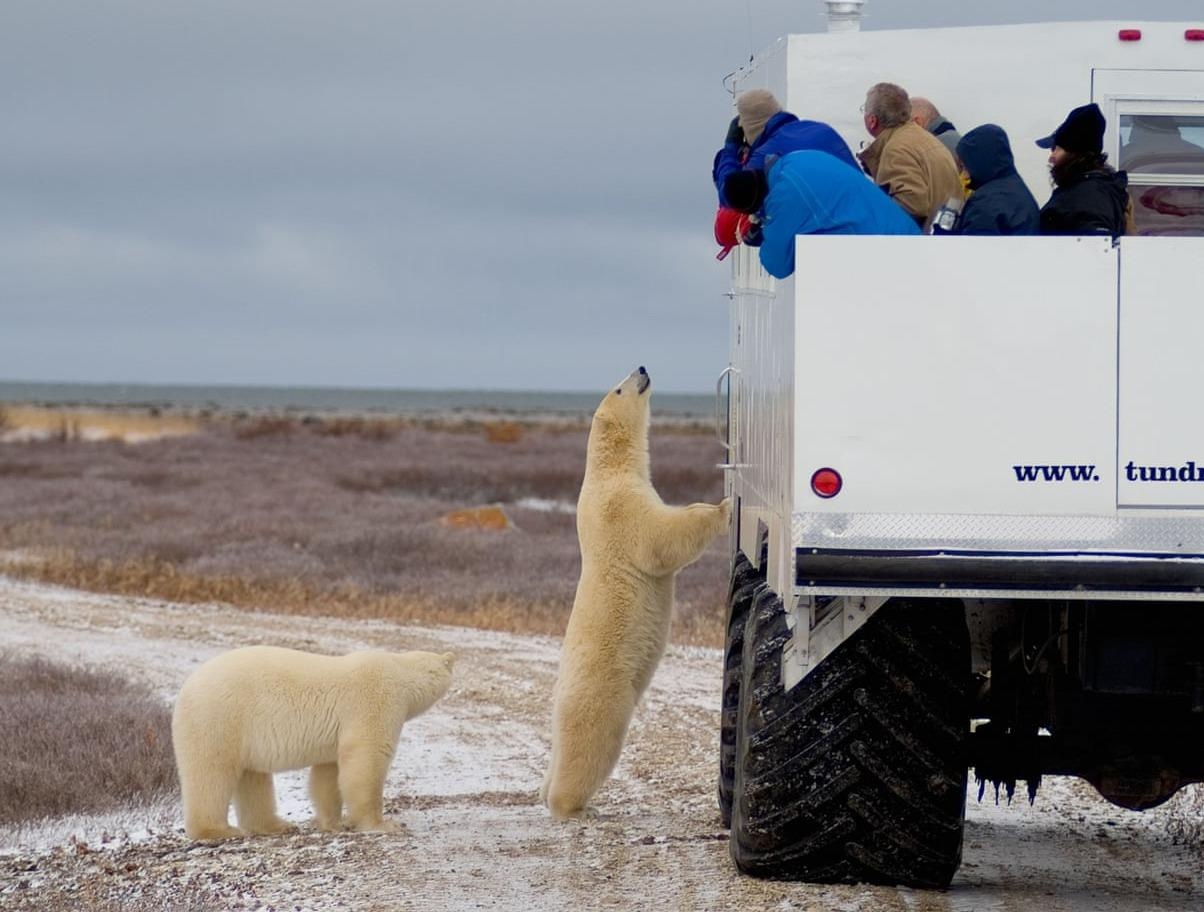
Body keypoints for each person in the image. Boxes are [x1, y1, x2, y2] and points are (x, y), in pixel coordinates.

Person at [723, 150, 920, 280]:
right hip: (903, 235)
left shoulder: (783, 199)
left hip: (893, 258)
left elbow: (777, 266)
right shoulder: (796, 159)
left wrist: (763, 234)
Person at [713, 88, 857, 209]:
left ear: (749, 128)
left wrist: (730, 149)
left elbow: (731, 195)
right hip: (866, 220)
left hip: (827, 230)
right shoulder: (821, 129)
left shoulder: (765, 155)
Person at [858, 83, 963, 227]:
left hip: (921, 245)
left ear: (872, 121)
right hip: (944, 238)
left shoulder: (896, 149)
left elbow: (911, 206)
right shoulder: (925, 138)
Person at [1036, 103, 1129, 237]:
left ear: (1074, 152)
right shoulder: (1082, 189)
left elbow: (1097, 248)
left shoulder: (1090, 195)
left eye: (1056, 149)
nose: (1051, 157)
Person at [950, 124, 1040, 235]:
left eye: (965, 167)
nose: (965, 176)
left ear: (978, 162)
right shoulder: (1017, 187)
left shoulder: (986, 201)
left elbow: (974, 247)